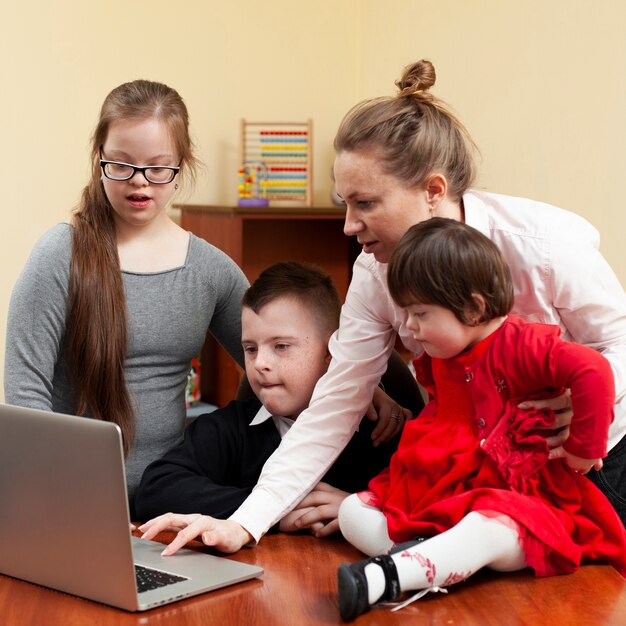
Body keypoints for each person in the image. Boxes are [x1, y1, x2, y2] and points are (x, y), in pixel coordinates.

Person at [138, 59, 626, 555]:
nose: (348, 225)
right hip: (484, 471)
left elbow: (619, 342)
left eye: (366, 204)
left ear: (433, 191)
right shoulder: (374, 274)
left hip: (593, 456)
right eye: (343, 203)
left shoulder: (543, 246)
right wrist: (246, 522)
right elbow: (334, 405)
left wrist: (586, 406)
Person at [335, 217, 626, 620]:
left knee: (491, 529)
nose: (410, 327)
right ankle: (439, 558)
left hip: (518, 500)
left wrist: (582, 448)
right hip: (443, 490)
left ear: (472, 308)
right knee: (351, 511)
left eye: (421, 314)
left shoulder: (520, 344)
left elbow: (593, 370)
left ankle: (392, 574)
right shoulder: (442, 357)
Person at [3, 79, 249, 511]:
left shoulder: (211, 271)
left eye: (158, 168)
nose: (140, 183)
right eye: (121, 164)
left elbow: (273, 368)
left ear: (182, 165)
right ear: (99, 159)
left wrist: (225, 437)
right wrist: (49, 494)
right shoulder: (61, 253)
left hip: (170, 501)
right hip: (72, 501)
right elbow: (25, 391)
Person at [136, 262, 411, 536]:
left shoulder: (382, 432)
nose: (260, 364)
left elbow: (426, 508)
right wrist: (273, 512)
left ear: (331, 351)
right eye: (251, 349)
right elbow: (155, 490)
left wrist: (359, 508)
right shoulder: (230, 427)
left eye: (281, 346)